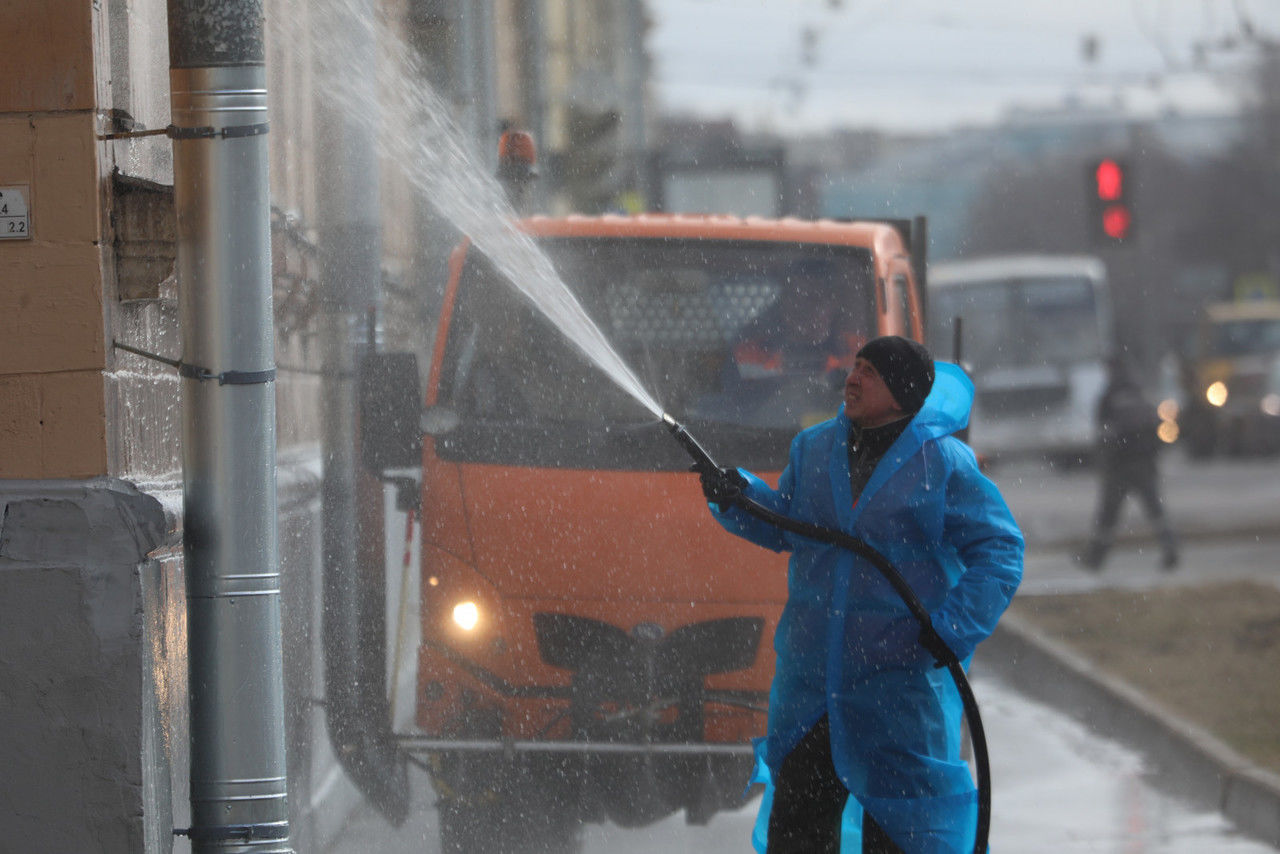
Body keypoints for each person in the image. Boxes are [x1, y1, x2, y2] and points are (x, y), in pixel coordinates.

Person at [698, 335, 1024, 853]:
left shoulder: (943, 463)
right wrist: (737, 497)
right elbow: (786, 524)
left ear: (901, 391)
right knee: (799, 831)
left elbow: (1000, 548)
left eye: (869, 371)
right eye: (856, 366)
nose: (852, 378)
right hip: (813, 687)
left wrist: (952, 628)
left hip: (898, 689)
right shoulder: (814, 447)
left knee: (902, 833)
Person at [1080, 354, 1179, 571]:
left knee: (1107, 517)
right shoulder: (1138, 392)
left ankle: (1094, 559)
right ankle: (1170, 550)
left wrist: (1103, 461)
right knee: (1156, 512)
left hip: (1119, 467)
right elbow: (1155, 427)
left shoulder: (1108, 397)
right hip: (1144, 464)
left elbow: (1103, 433)